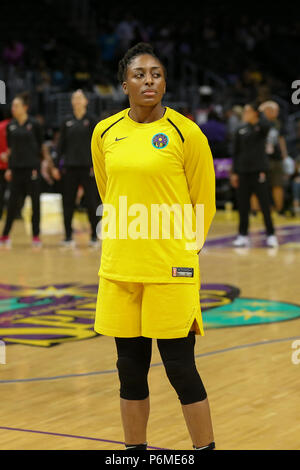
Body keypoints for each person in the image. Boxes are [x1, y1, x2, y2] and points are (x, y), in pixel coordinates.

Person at [91, 43, 216, 451]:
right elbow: (109, 193)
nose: (149, 80)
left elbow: (204, 201)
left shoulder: (186, 132)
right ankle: (135, 454)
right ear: (124, 83)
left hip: (170, 271)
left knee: (181, 369)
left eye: (157, 74)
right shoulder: (105, 132)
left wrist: (182, 251)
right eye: (140, 74)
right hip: (121, 269)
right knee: (129, 370)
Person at [0, 92, 52, 247]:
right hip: (16, 169)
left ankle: (36, 236)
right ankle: (5, 235)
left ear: (25, 107)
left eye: (16, 106)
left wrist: (46, 165)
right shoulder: (11, 126)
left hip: (32, 170)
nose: (13, 108)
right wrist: (8, 166)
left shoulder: (34, 124)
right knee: (12, 204)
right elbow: (10, 149)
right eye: (12, 106)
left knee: (35, 203)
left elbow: (41, 147)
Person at [231, 102, 278, 248]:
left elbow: (268, 125)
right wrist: (234, 172)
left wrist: (262, 111)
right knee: (243, 205)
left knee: (264, 204)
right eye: (244, 111)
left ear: (255, 113)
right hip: (243, 172)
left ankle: (270, 235)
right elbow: (236, 152)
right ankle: (242, 235)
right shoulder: (240, 129)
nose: (245, 114)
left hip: (259, 172)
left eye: (248, 111)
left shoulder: (261, 127)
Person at [57, 89, 100, 247]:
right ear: (71, 102)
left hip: (88, 168)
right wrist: (56, 166)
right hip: (69, 167)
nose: (77, 100)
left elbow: (98, 146)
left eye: (80, 97)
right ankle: (68, 237)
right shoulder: (66, 121)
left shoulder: (92, 120)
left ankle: (95, 237)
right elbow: (60, 145)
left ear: (86, 101)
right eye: (74, 98)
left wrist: (97, 165)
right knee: (68, 202)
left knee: (91, 202)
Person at [259, 101, 288, 214]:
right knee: (260, 186)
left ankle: (279, 210)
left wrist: (284, 155)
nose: (277, 113)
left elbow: (281, 139)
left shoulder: (278, 123)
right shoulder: (259, 123)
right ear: (267, 111)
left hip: (276, 159)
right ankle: (258, 211)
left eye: (277, 111)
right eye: (274, 110)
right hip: (262, 159)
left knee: (278, 184)